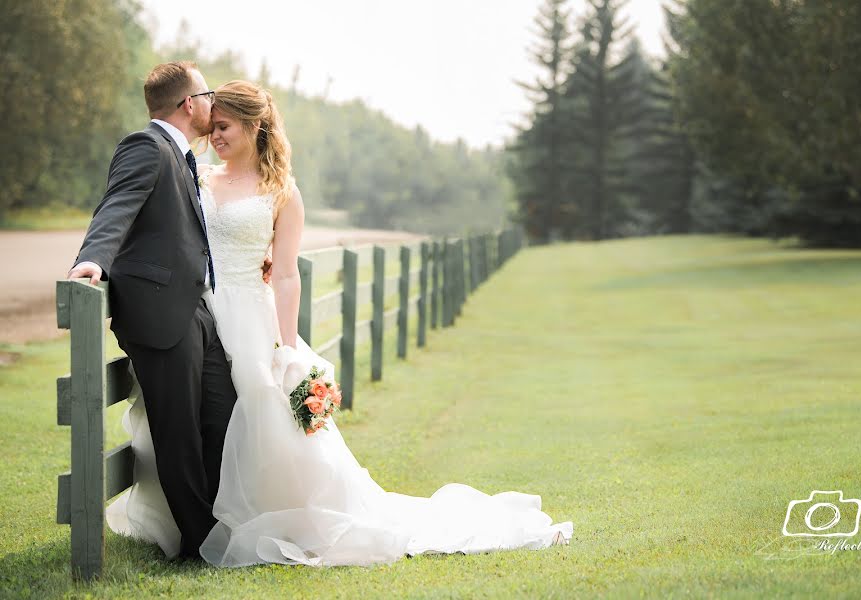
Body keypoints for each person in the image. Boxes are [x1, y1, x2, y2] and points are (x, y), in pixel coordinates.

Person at [111, 79, 573, 567]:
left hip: (250, 316)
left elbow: (286, 275)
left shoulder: (281, 192)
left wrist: (286, 350)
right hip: (197, 310)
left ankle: (259, 518)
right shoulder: (198, 178)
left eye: (224, 127)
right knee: (196, 417)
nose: (216, 137)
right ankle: (200, 519)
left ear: (254, 127)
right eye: (213, 128)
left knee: (258, 417)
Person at [69, 61, 242, 559]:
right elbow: (116, 205)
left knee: (224, 418)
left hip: (199, 311)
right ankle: (199, 547)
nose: (213, 104)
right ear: (190, 104)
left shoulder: (182, 155)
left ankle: (221, 529)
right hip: (161, 314)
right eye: (207, 95)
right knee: (179, 433)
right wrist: (90, 260)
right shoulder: (146, 146)